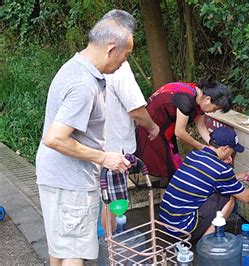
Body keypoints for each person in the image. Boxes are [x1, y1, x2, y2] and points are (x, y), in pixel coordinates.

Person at [35, 9, 135, 265]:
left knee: (61, 245)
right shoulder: (84, 84)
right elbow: (55, 138)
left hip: (57, 177)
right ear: (112, 49)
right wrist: (104, 157)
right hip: (70, 182)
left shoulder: (76, 68)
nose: (124, 62)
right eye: (126, 55)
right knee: (74, 251)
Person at [158, 127, 249, 242]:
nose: (232, 154)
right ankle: (205, 243)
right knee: (230, 197)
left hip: (165, 223)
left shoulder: (194, 155)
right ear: (225, 148)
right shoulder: (221, 169)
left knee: (222, 190)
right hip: (182, 229)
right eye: (232, 150)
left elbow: (211, 179)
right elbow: (246, 197)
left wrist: (243, 175)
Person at [99, 60, 160, 234]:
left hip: (96, 144)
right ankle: (111, 249)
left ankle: (104, 243)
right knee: (112, 203)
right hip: (114, 147)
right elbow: (136, 110)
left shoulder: (93, 64)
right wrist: (152, 127)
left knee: (101, 198)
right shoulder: (119, 67)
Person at [135, 77, 232, 181]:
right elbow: (180, 132)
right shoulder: (187, 99)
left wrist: (216, 148)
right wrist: (201, 147)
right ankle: (167, 195)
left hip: (165, 129)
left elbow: (201, 126)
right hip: (152, 129)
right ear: (208, 99)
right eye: (214, 109)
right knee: (168, 170)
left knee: (171, 170)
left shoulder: (199, 96)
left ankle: (168, 194)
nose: (212, 112)